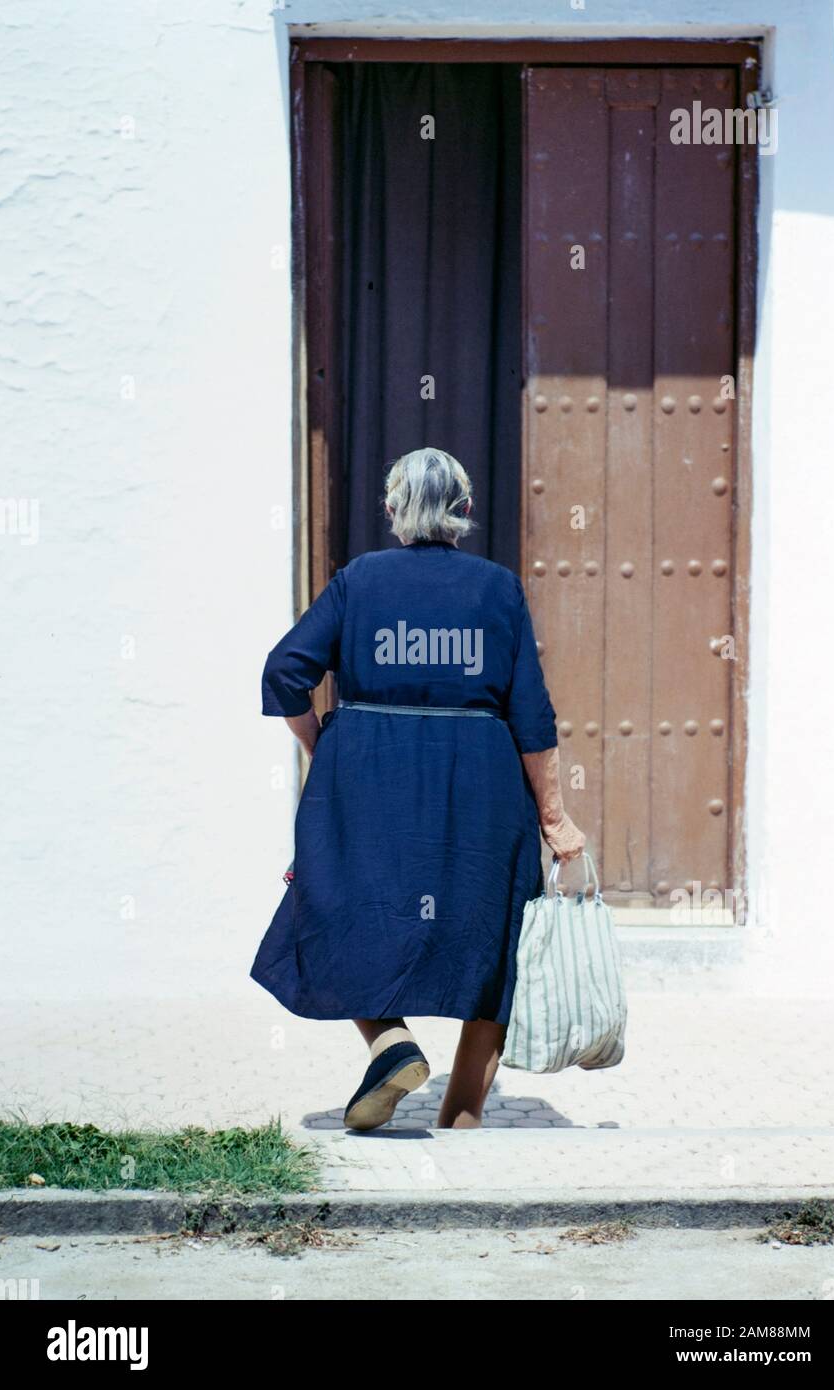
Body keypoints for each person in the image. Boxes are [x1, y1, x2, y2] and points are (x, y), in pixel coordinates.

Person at [250, 447, 586, 1131]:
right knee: (492, 942)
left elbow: (284, 672)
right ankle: (461, 1121)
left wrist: (324, 746)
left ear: (393, 511)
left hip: (367, 782)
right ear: (464, 512)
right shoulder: (498, 588)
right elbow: (532, 716)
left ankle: (390, 1042)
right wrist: (556, 818)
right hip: (482, 793)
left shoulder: (360, 581)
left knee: (331, 910)